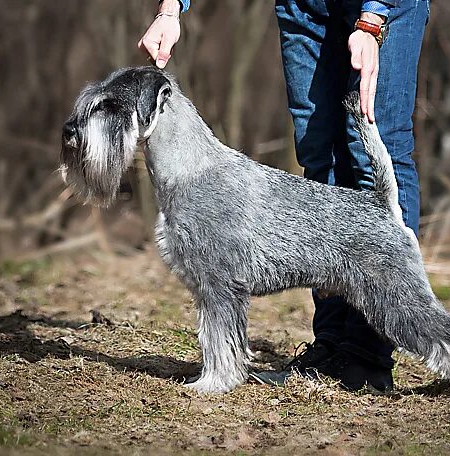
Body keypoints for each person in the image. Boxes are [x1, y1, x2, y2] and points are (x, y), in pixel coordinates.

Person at [139, 0, 429, 393]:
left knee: (376, 149)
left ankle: (366, 354)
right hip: (304, 7)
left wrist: (374, 19)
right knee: (318, 153)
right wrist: (171, 10)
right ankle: (331, 346)